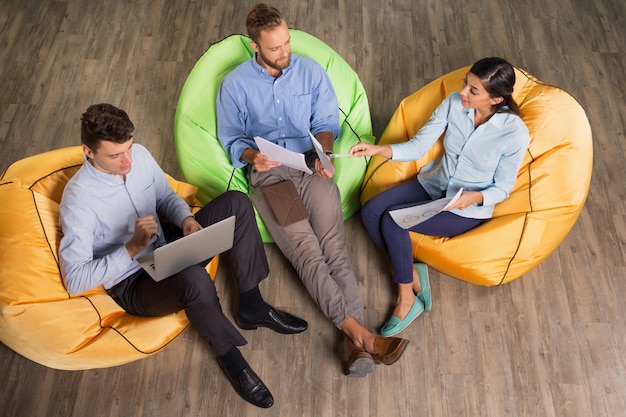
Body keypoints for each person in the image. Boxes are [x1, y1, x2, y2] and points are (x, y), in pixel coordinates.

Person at [58, 103, 309, 409]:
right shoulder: (78, 201)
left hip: (168, 248)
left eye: (129, 149)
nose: (127, 161)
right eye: (115, 155)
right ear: (88, 151)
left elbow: (165, 197)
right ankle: (232, 360)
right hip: (135, 282)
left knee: (237, 204)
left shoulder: (140, 156)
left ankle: (252, 306)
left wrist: (185, 220)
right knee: (194, 279)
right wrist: (132, 248)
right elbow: (74, 279)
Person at [216, 3, 409, 377]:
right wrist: (254, 156)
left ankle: (357, 343)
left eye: (287, 42)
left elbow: (325, 120)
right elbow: (231, 139)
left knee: (334, 247)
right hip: (272, 178)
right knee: (307, 251)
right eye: (275, 48)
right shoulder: (235, 84)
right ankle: (362, 337)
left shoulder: (310, 71)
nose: (285, 52)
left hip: (311, 167)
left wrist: (321, 151)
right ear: (255, 46)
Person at [349, 57, 530, 336]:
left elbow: (502, 188)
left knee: (393, 222)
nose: (463, 93)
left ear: (495, 99)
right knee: (371, 211)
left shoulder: (514, 134)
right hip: (435, 184)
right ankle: (411, 272)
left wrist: (473, 198)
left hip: (464, 209)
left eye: (473, 90)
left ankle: (406, 298)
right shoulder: (454, 103)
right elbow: (419, 146)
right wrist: (378, 150)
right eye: (465, 83)